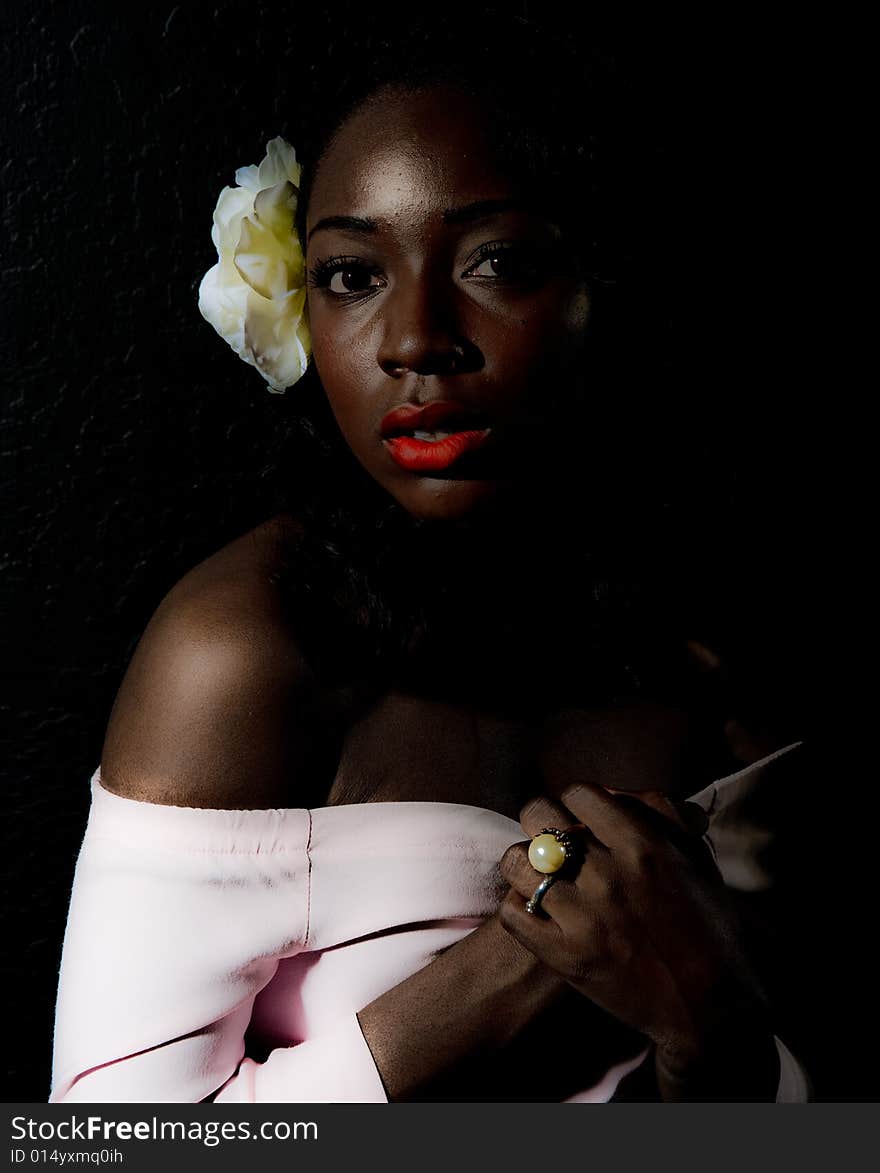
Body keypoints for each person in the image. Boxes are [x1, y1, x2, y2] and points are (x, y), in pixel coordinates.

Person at [49, 14, 810, 1103]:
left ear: (605, 281)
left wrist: (712, 1032)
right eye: (352, 274)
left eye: (495, 260)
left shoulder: (729, 664)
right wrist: (514, 968)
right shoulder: (245, 652)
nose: (412, 337)